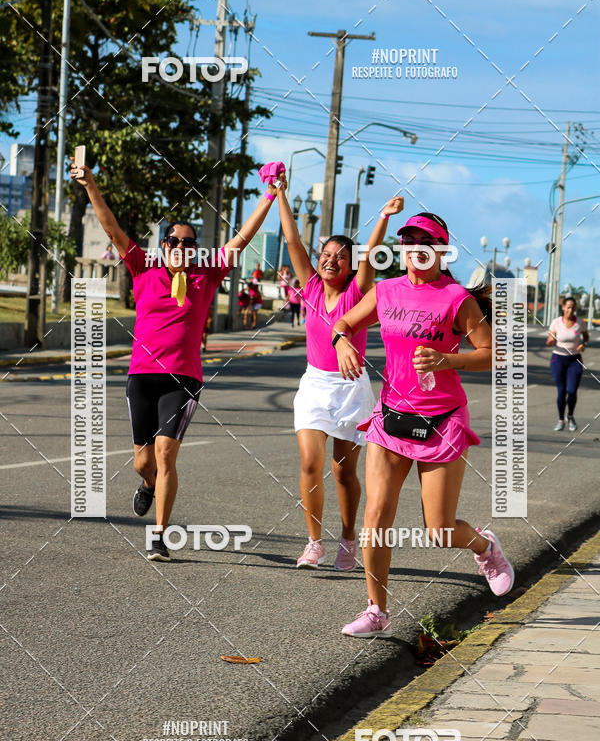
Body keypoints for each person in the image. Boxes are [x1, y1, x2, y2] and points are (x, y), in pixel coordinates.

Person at [71, 159, 277, 561]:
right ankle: (147, 485)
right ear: (164, 245)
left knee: (166, 454)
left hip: (183, 380)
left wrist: (269, 195)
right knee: (142, 463)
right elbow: (112, 230)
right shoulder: (142, 268)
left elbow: (241, 239)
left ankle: (159, 536)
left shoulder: (207, 275)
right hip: (141, 377)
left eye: (189, 243)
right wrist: (91, 184)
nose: (182, 248)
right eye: (175, 241)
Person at [332, 212, 515, 637]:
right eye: (409, 240)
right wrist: (342, 342)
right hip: (391, 419)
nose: (416, 247)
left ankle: (485, 547)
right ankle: (376, 610)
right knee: (375, 518)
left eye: (426, 241)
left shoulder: (456, 298)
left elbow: (492, 353)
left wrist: (447, 360)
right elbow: (343, 322)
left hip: (442, 421)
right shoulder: (386, 291)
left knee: (439, 530)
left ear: (442, 250)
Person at [275, 173, 404, 571]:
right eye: (326, 254)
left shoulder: (357, 292)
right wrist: (280, 194)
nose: (331, 260)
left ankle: (348, 537)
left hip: (350, 390)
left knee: (343, 471)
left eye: (340, 257)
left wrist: (383, 216)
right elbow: (292, 240)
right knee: (309, 464)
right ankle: (314, 543)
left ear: (349, 266)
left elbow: (370, 255)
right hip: (315, 384)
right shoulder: (310, 285)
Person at [546, 296, 588, 431]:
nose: (571, 310)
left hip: (575, 360)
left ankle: (570, 416)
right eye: (568, 307)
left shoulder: (580, 322)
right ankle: (560, 420)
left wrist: (583, 344)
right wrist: (550, 341)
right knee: (562, 391)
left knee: (572, 391)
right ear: (563, 307)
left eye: (573, 307)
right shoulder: (556, 322)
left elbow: (586, 336)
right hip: (558, 360)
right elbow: (549, 340)